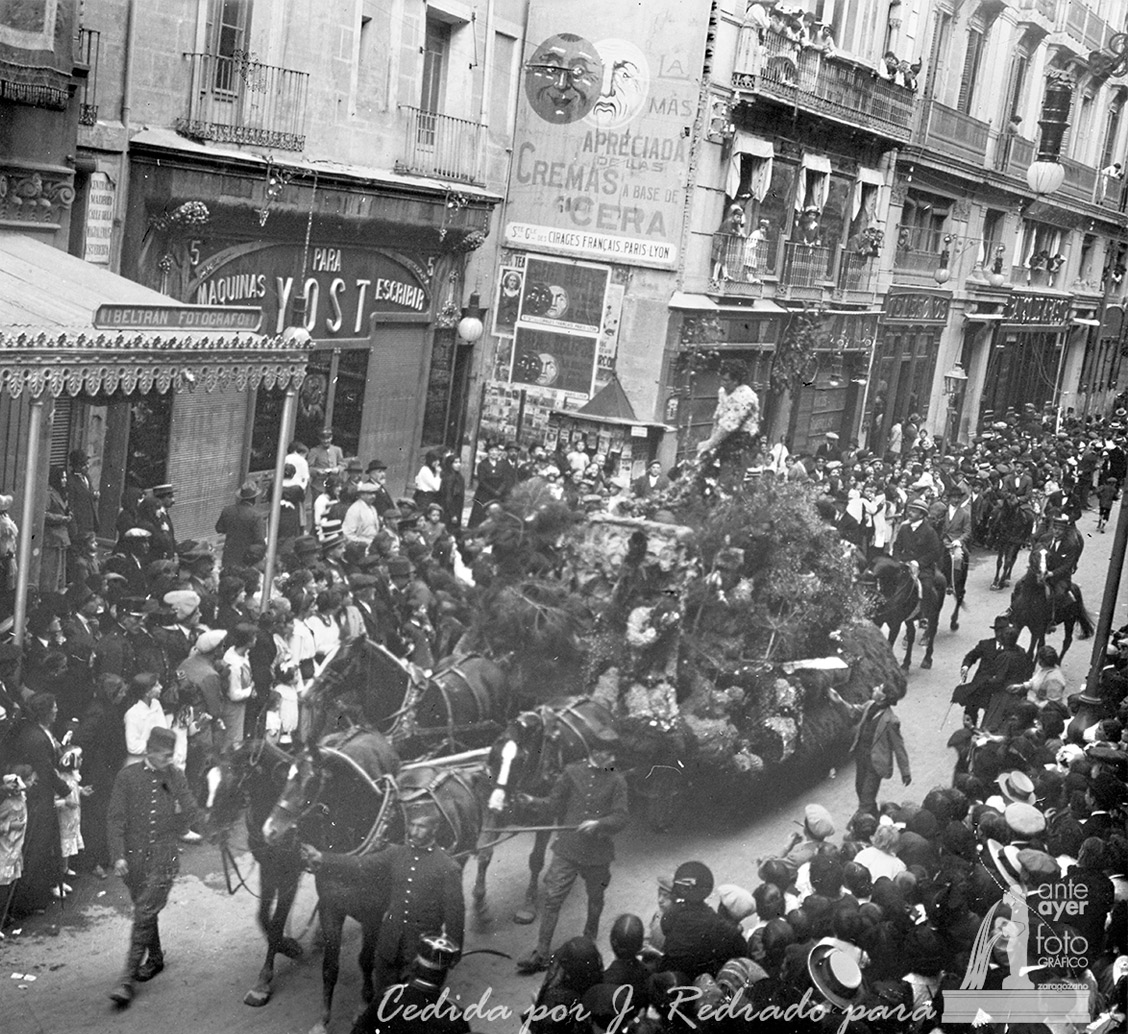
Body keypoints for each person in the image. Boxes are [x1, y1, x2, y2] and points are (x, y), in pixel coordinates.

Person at [301, 801, 465, 1004]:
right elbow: (361, 864)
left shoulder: (448, 867)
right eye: (412, 825)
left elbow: (455, 916)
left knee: (411, 1007)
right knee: (382, 1001)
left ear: (434, 829)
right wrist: (323, 858)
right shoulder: (397, 853)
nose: (414, 831)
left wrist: (450, 955)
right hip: (389, 946)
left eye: (421, 827)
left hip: (419, 953)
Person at [516, 728, 630, 974]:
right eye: (609, 755)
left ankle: (589, 942)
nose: (613, 760)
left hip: (598, 853)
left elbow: (621, 817)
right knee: (552, 899)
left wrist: (600, 824)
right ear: (596, 753)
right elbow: (554, 804)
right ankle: (541, 952)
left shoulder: (617, 780)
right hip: (567, 849)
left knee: (595, 899)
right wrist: (533, 803)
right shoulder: (571, 772)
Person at [106, 725, 204, 1006]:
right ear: (149, 751)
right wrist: (118, 856)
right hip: (134, 858)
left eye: (172, 755)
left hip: (165, 855)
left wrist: (208, 826)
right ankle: (156, 958)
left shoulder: (175, 775)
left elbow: (190, 806)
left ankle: (126, 979)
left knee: (145, 910)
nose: (169, 760)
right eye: (164, 755)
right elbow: (115, 819)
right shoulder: (127, 777)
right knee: (144, 911)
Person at [6, 693, 68, 917]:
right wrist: (65, 789)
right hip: (39, 799)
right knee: (37, 848)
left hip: (42, 796)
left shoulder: (38, 732)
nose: (57, 711)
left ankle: (40, 892)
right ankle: (28, 901)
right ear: (45, 712)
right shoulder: (37, 738)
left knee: (43, 845)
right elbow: (45, 770)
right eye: (54, 708)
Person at [826, 682, 912, 816]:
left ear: (882, 698)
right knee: (860, 788)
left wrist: (905, 772)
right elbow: (853, 712)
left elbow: (899, 746)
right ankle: (873, 814)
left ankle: (858, 826)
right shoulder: (870, 705)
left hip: (876, 764)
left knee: (867, 795)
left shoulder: (891, 721)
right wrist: (839, 701)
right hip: (861, 757)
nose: (875, 688)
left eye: (879, 688)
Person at [695, 359, 761, 469]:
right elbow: (718, 418)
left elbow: (729, 425)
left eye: (726, 380)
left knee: (729, 477)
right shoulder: (723, 392)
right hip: (726, 437)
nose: (722, 383)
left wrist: (709, 444)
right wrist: (711, 441)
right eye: (722, 379)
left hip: (743, 440)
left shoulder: (745, 397)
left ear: (736, 381)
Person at [1033, 512, 1083, 629]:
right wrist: (1036, 567)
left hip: (1059, 577)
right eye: (1055, 528)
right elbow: (1035, 553)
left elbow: (1067, 566)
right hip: (1041, 572)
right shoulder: (1045, 538)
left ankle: (1051, 620)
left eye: (1060, 530)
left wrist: (1052, 573)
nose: (1056, 532)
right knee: (1022, 584)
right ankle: (1012, 610)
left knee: (1058, 594)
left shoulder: (1070, 545)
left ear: (1065, 531)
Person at [214, 483, 265, 570]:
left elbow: (219, 528)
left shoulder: (227, 510)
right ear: (254, 498)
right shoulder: (256, 516)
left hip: (229, 556)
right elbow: (259, 540)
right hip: (246, 559)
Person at [41, 466, 70, 593]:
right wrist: (61, 518)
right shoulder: (48, 493)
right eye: (62, 477)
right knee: (50, 576)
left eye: (65, 477)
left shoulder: (60, 493)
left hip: (60, 539)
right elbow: (43, 514)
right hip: (51, 539)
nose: (64, 480)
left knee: (59, 576)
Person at [469, 442, 512, 528]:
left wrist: (499, 491)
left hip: (499, 495)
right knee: (479, 517)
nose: (494, 453)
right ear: (488, 452)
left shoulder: (504, 464)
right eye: (491, 450)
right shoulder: (482, 465)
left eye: (496, 450)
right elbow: (482, 481)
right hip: (484, 494)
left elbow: (506, 479)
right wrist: (493, 491)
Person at [438, 454, 466, 537]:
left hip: (457, 507)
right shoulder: (450, 477)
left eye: (459, 462)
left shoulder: (458, 476)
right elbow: (448, 497)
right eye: (455, 462)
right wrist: (453, 514)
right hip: (450, 509)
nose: (458, 464)